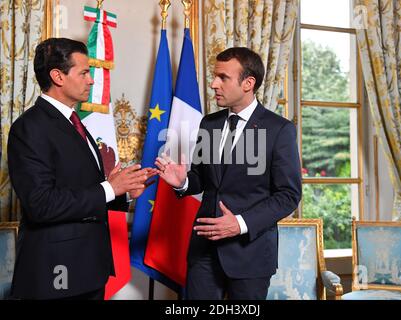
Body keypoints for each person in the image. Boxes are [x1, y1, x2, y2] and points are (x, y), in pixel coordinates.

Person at [7, 38, 155, 300]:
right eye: (84, 72)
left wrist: (126, 191)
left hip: (88, 269)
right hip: (56, 273)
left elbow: (81, 187)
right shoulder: (30, 127)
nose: (91, 80)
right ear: (58, 76)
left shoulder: (74, 122)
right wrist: (111, 187)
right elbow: (41, 204)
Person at [156, 47, 302, 299]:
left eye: (223, 77)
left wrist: (240, 223)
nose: (213, 84)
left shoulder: (279, 129)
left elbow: (288, 195)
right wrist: (182, 182)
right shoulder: (209, 123)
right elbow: (202, 180)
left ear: (248, 83)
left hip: (250, 254)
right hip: (204, 251)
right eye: (215, 76)